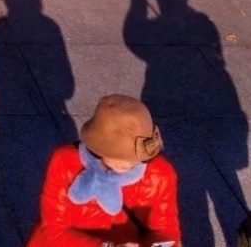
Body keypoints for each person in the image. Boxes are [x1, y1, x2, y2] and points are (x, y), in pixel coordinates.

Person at [27, 95, 180, 247]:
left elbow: (166, 231)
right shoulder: (64, 162)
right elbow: (54, 230)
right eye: (120, 154)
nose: (128, 163)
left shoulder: (161, 174)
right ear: (98, 146)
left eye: (135, 157)